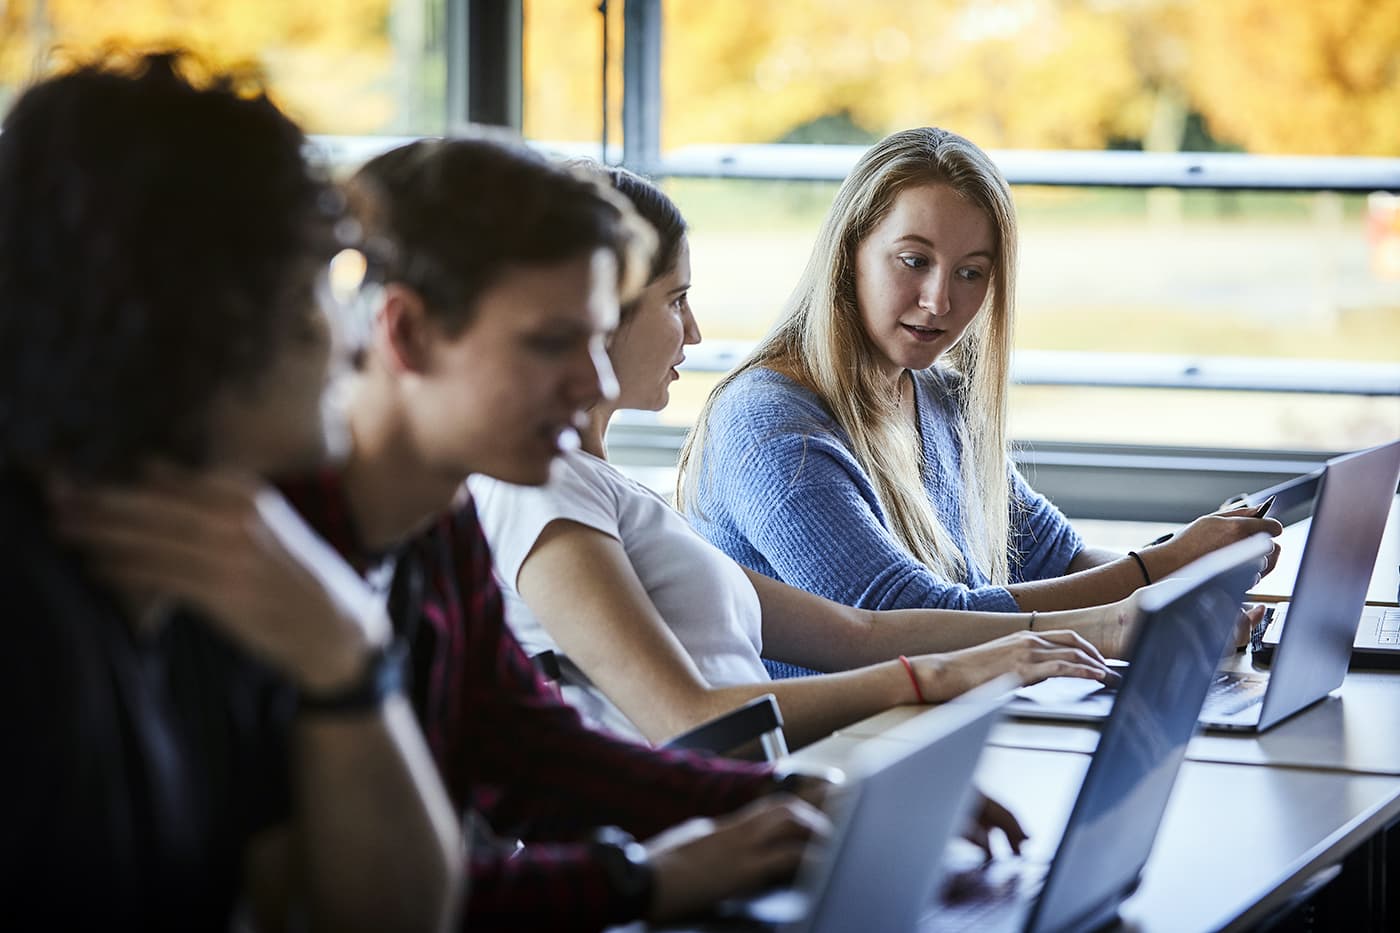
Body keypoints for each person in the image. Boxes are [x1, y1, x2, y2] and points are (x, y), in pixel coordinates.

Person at [280, 135, 846, 933]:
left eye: (597, 336)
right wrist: (645, 879)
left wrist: (796, 797)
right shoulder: (275, 552)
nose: (600, 384)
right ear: (405, 335)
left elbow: (531, 752)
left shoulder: (440, 525)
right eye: (552, 343)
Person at [0, 53, 460, 931]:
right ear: (204, 311)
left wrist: (347, 656)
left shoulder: (235, 560)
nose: (353, 333)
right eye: (321, 280)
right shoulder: (23, 616)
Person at [471, 164, 1130, 750]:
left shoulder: (609, 493)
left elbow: (858, 631)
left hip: (760, 808)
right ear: (597, 314)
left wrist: (1095, 630)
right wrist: (934, 676)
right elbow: (686, 719)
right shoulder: (543, 490)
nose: (695, 330)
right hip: (701, 840)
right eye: (676, 301)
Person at [677, 127, 1281, 644]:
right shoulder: (767, 423)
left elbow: (1061, 560)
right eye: (914, 260)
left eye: (971, 273)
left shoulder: (936, 397)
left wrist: (1187, 589)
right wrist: (1164, 566)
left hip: (934, 728)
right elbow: (912, 623)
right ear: (849, 252)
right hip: (826, 754)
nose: (940, 300)